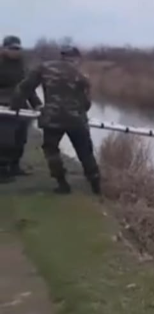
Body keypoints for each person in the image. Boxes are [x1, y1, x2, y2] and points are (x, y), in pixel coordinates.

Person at [11, 45, 101, 195]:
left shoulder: (44, 68)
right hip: (77, 120)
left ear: (62, 56)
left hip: (52, 119)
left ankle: (62, 184)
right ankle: (96, 186)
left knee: (51, 150)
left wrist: (16, 106)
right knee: (85, 152)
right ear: (76, 58)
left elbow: (24, 87)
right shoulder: (82, 76)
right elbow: (87, 104)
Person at [0, 35, 42, 181]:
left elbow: (28, 87)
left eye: (18, 49)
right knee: (5, 140)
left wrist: (37, 104)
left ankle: (14, 166)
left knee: (20, 139)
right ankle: (2, 170)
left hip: (21, 107)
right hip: (3, 108)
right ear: (4, 48)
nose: (15, 52)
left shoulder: (23, 66)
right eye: (12, 48)